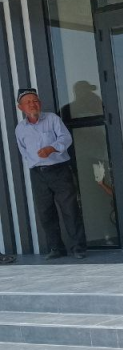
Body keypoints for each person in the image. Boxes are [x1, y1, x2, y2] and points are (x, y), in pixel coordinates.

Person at [15, 89, 87, 260]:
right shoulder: (20, 128)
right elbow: (23, 150)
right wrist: (36, 163)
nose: (33, 104)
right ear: (20, 107)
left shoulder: (52, 119)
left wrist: (52, 148)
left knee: (70, 210)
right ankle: (56, 248)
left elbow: (65, 138)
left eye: (35, 101)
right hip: (38, 174)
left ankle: (78, 247)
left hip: (59, 170)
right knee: (46, 213)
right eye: (28, 102)